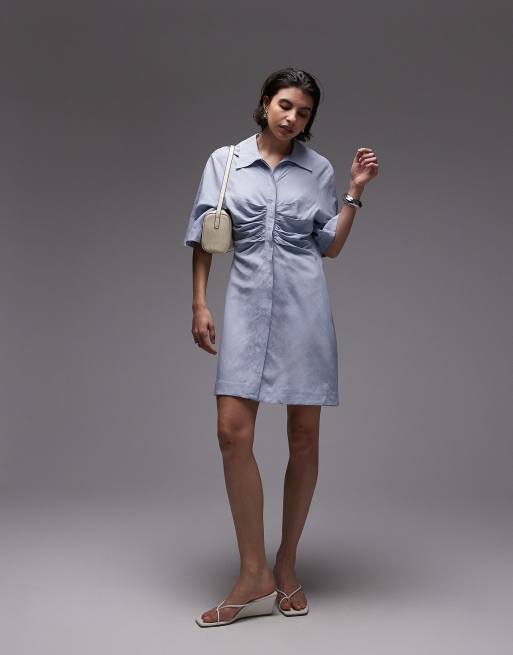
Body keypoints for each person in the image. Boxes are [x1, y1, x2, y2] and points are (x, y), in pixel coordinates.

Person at [184, 68, 379, 627]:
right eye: (286, 105)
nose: (293, 118)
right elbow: (204, 238)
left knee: (303, 438)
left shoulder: (318, 169)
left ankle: (286, 565)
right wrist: (199, 304)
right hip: (246, 308)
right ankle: (254, 573)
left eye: (305, 112)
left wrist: (354, 191)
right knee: (232, 433)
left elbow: (329, 247)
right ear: (266, 102)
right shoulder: (224, 162)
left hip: (304, 311)